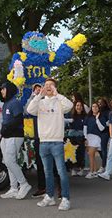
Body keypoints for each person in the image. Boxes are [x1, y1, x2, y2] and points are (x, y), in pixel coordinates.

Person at [27, 78, 73, 211]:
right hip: (43, 142)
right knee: (47, 172)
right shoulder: (40, 103)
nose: (47, 87)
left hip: (57, 142)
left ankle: (65, 198)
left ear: (55, 87)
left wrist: (57, 94)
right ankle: (49, 196)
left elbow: (69, 105)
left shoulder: (59, 102)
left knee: (61, 171)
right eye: (45, 85)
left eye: (50, 85)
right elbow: (29, 110)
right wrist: (38, 95)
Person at [0, 82, 31, 200]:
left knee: (10, 161)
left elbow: (18, 120)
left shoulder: (15, 103)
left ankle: (24, 184)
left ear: (10, 90)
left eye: (3, 89)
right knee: (7, 162)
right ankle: (13, 188)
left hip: (15, 136)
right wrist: (4, 130)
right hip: (6, 137)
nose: (1, 91)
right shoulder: (6, 103)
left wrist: (7, 128)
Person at [83, 102, 107, 179]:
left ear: (98, 108)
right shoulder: (88, 117)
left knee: (91, 154)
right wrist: (85, 138)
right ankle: (94, 171)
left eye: (96, 106)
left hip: (97, 137)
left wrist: (97, 119)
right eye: (93, 106)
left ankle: (91, 171)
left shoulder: (101, 117)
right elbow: (85, 128)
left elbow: (102, 128)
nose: (94, 108)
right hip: (89, 137)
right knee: (92, 155)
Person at [65, 101, 87, 176]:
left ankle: (81, 169)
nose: (79, 107)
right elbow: (64, 121)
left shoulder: (85, 116)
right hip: (71, 136)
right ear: (75, 107)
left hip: (81, 136)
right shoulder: (70, 114)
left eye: (80, 105)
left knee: (80, 153)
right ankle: (73, 169)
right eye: (77, 105)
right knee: (72, 153)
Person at [97, 97, 111, 173]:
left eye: (101, 102)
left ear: (105, 103)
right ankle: (105, 162)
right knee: (99, 149)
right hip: (97, 133)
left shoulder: (108, 112)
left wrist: (104, 125)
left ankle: (103, 166)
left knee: (103, 149)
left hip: (105, 132)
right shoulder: (98, 111)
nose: (99, 104)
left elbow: (109, 122)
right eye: (98, 102)